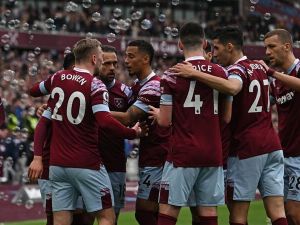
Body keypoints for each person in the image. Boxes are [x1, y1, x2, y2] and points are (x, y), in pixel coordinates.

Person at [171, 26, 288, 225]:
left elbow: (233, 88)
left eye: (216, 49)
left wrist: (194, 73)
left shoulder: (236, 70)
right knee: (277, 212)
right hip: (272, 145)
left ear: (230, 47)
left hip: (247, 148)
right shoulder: (259, 67)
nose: (214, 54)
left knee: (238, 215)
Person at [28, 38, 143, 225]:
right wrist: (132, 134)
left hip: (57, 166)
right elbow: (105, 122)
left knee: (60, 220)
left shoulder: (58, 77)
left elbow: (34, 91)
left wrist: (38, 156)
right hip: (86, 163)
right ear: (94, 58)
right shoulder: (95, 85)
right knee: (106, 216)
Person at [149, 22, 228, 225]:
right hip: (212, 152)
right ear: (204, 43)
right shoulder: (221, 73)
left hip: (183, 152)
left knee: (168, 210)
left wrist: (158, 114)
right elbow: (226, 118)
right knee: (208, 211)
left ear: (180, 45)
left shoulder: (171, 74)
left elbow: (165, 122)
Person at [28, 52, 95, 225]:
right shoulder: (58, 94)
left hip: (79, 164)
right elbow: (41, 124)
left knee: (83, 217)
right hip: (53, 166)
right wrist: (37, 158)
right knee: (55, 217)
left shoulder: (90, 89)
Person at [111, 40, 170, 225]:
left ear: (145, 59)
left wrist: (93, 110)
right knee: (151, 213)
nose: (125, 61)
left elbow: (128, 117)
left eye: (131, 56)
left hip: (158, 157)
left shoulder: (153, 86)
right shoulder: (138, 86)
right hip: (149, 155)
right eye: (125, 56)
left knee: (146, 213)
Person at [264, 29, 300, 225]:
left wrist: (271, 73)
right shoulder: (276, 83)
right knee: (278, 214)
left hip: (299, 156)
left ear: (287, 46)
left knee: (294, 214)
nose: (267, 52)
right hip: (283, 155)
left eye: (272, 46)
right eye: (265, 47)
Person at [97, 45, 133, 224]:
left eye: (114, 63)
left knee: (113, 218)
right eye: (106, 63)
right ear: (96, 62)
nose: (112, 68)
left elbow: (134, 118)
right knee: (82, 217)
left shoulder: (126, 92)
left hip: (115, 164)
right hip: (88, 163)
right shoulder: (85, 88)